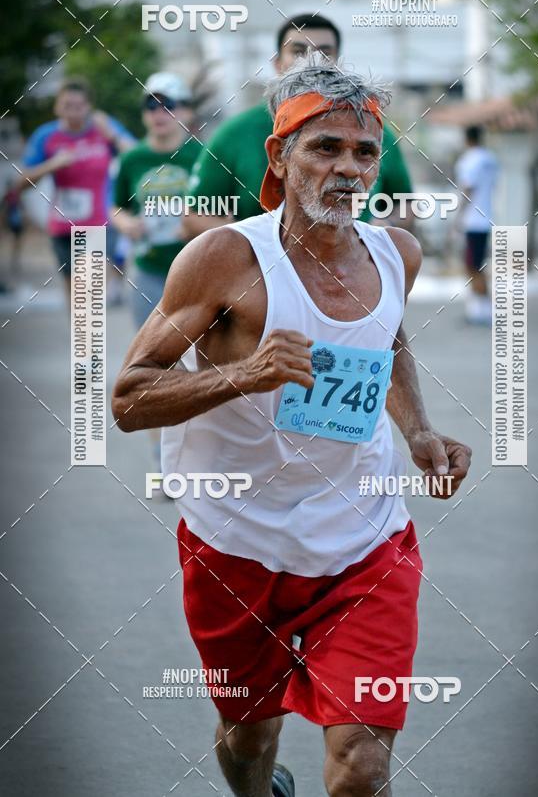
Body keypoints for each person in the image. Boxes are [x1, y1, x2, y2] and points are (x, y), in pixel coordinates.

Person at [112, 55, 471, 797]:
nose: (348, 168)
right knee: (250, 738)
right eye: (325, 148)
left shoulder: (395, 253)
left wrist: (420, 433)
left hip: (365, 541)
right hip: (236, 542)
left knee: (362, 766)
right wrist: (248, 371)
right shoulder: (224, 258)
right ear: (280, 156)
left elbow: (389, 342)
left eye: (364, 151)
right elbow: (128, 398)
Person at [188, 13, 415, 229]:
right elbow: (196, 215)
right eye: (298, 51)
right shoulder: (235, 133)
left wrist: (383, 228)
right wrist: (253, 244)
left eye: (324, 53)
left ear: (338, 63)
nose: (312, 61)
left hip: (352, 266)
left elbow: (404, 203)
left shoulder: (370, 131)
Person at [111, 71, 222, 329]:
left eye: (168, 105)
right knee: (149, 356)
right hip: (148, 269)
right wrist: (126, 223)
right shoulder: (132, 159)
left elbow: (227, 213)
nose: (158, 113)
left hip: (197, 271)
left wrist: (196, 222)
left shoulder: (205, 156)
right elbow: (116, 207)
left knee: (194, 356)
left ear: (187, 112)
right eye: (151, 105)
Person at [17, 77, 134, 299]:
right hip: (62, 226)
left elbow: (137, 156)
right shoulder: (46, 135)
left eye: (79, 106)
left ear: (89, 107)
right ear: (56, 107)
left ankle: (90, 328)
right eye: (67, 106)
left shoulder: (103, 128)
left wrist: (112, 135)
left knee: (88, 295)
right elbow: (21, 183)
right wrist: (52, 164)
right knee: (74, 295)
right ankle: (80, 333)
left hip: (99, 224)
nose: (73, 113)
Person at [455, 125, 498, 324]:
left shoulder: (469, 160)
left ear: (467, 139)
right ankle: (482, 309)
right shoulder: (490, 159)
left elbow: (468, 189)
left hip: (473, 221)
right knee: (477, 265)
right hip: (486, 218)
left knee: (472, 266)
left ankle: (482, 311)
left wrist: (458, 216)